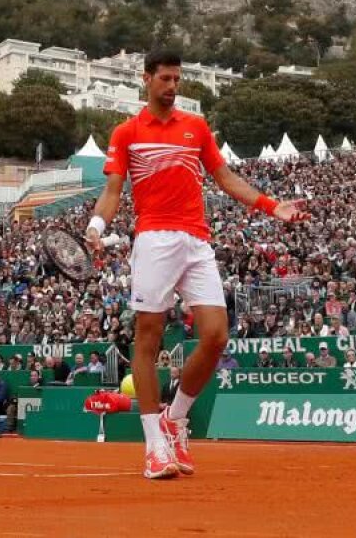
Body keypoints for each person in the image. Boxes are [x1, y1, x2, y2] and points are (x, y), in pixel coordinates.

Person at [85, 48, 309, 480]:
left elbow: (225, 178)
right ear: (147, 79)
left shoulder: (196, 127)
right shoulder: (126, 132)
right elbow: (113, 190)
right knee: (147, 340)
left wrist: (271, 206)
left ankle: (176, 418)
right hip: (153, 239)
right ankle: (154, 447)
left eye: (176, 80)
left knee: (216, 335)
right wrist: (97, 224)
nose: (172, 87)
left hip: (197, 241)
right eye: (165, 79)